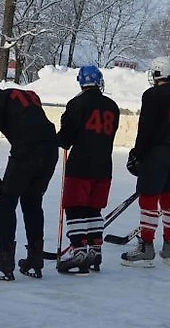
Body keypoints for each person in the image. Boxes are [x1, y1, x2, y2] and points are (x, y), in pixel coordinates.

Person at [0, 85, 58, 281]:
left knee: (5, 203)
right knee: (32, 202)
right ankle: (35, 257)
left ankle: (5, 259)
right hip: (50, 148)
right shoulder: (22, 96)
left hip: (27, 149)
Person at [122, 56, 170, 267]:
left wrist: (137, 153)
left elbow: (147, 127)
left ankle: (146, 246)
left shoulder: (152, 95)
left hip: (158, 153)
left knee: (149, 200)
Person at [56, 66, 120, 274]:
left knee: (75, 207)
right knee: (94, 210)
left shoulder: (76, 103)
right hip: (104, 165)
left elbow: (66, 139)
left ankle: (79, 250)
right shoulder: (112, 106)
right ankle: (94, 250)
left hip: (81, 164)